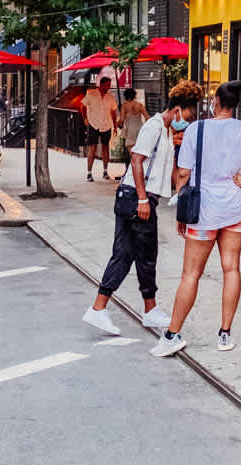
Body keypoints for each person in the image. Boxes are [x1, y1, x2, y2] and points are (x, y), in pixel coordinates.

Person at [150, 81, 241, 358]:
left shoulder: (196, 129)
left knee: (191, 274)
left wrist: (181, 209)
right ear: (235, 105)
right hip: (235, 208)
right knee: (231, 269)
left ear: (216, 102)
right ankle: (225, 334)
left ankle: (172, 334)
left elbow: (184, 173)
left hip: (204, 211)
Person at [84, 80, 202, 335]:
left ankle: (106, 308)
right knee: (142, 256)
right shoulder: (154, 127)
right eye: (188, 115)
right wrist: (142, 199)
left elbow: (169, 169)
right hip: (137, 198)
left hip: (136, 197)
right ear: (178, 110)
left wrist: (180, 190)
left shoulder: (166, 130)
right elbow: (136, 160)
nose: (188, 121)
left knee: (128, 255)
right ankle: (137, 310)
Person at [82, 75, 118, 182]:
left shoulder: (111, 97)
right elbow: (83, 106)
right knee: (92, 148)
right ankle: (89, 173)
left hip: (106, 124)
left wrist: (115, 125)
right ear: (101, 84)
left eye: (109, 85)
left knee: (105, 147)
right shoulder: (91, 94)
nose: (108, 87)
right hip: (93, 123)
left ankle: (105, 171)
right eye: (107, 85)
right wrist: (85, 119)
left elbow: (113, 112)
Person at [117, 87, 149, 161]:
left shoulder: (124, 106)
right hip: (140, 129)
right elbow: (147, 117)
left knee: (131, 153)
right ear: (134, 95)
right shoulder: (140, 105)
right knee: (139, 151)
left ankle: (133, 165)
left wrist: (118, 124)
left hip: (130, 130)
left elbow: (121, 120)